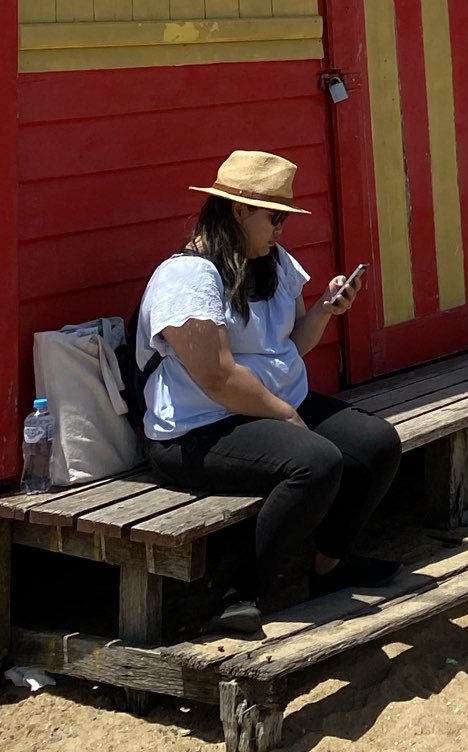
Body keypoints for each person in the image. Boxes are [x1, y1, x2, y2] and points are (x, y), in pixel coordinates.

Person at [136, 151, 402, 630]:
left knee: (376, 443)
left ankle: (328, 569)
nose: (281, 229)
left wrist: (324, 309)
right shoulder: (187, 277)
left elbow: (287, 345)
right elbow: (216, 377)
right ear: (238, 210)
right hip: (199, 426)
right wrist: (284, 415)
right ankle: (240, 592)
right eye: (274, 218)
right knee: (315, 462)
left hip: (269, 404)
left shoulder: (271, 260)